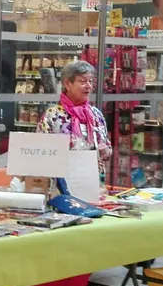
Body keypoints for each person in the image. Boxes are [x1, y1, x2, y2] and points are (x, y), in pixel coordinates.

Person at [35, 59, 113, 195]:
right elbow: (41, 153)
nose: (88, 86)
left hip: (93, 188)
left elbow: (107, 150)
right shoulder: (53, 115)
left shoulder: (96, 115)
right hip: (60, 190)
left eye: (90, 81)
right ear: (67, 84)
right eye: (83, 82)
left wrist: (105, 150)